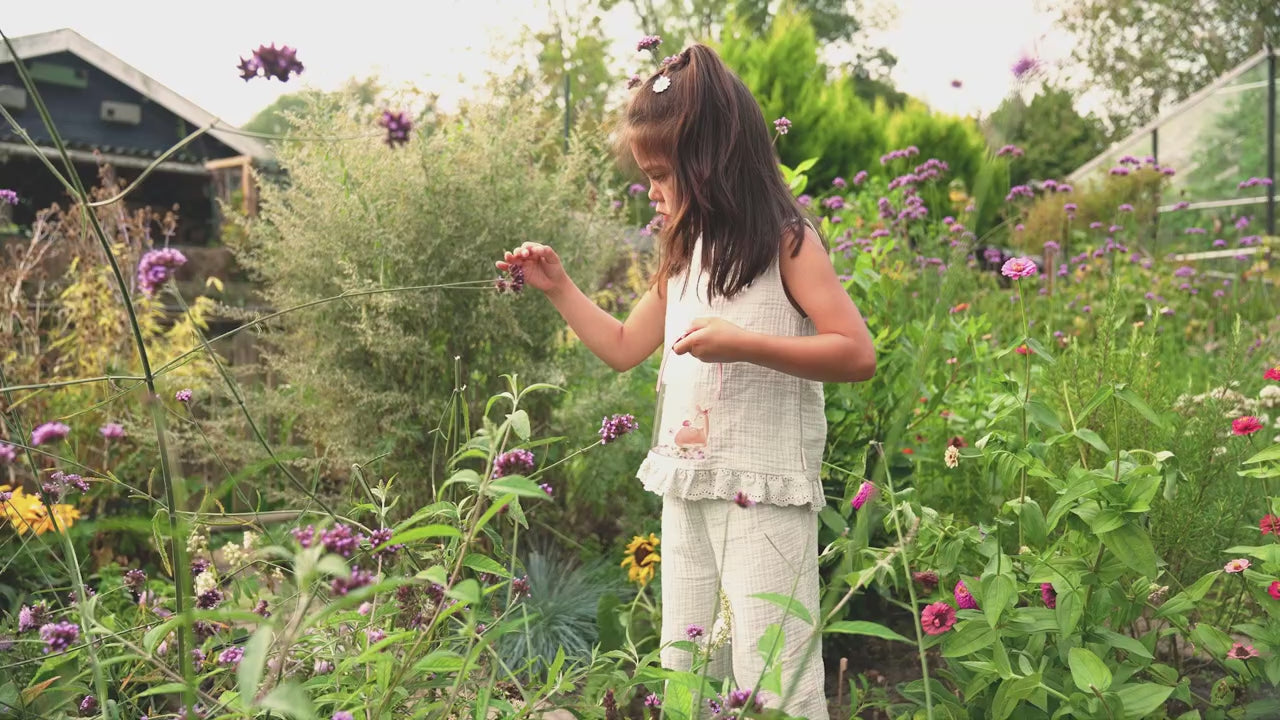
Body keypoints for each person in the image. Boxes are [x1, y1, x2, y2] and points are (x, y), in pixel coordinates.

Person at [496, 43, 875, 718]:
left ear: (712, 162)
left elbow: (855, 353)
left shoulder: (786, 243)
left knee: (773, 663)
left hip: (762, 492)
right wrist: (560, 289)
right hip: (689, 488)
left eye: (662, 174)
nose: (651, 190)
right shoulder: (682, 258)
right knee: (689, 660)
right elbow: (621, 346)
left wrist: (747, 345)